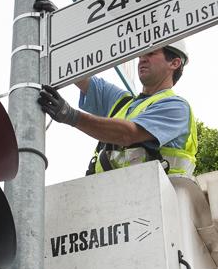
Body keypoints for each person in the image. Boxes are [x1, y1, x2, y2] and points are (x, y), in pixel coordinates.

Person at [38, 41, 197, 177]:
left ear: (174, 63)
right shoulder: (123, 103)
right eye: (141, 55)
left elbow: (128, 134)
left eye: (150, 54)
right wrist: (56, 33)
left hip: (156, 203)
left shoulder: (176, 107)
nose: (141, 59)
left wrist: (70, 115)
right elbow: (79, 74)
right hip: (110, 198)